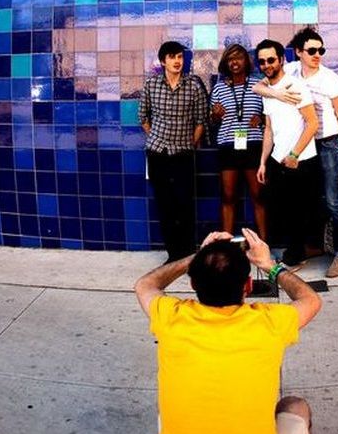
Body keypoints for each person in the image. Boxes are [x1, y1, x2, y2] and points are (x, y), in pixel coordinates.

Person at [134, 227, 321, 434]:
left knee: (170, 410)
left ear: (193, 283)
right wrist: (269, 264)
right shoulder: (270, 322)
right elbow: (310, 299)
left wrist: (199, 256)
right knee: (295, 407)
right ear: (247, 286)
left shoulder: (170, 317)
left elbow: (145, 284)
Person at [285, 28, 338, 279]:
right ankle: (315, 246)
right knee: (309, 199)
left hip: (328, 144)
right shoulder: (291, 71)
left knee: (333, 200)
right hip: (302, 144)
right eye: (312, 50)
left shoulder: (330, 79)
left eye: (321, 50)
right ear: (299, 52)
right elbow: (266, 85)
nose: (317, 55)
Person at [254, 39, 323, 268]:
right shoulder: (268, 92)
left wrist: (294, 154)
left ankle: (297, 257)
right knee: (283, 210)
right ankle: (295, 253)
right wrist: (263, 162)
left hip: (300, 160)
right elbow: (269, 129)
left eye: (271, 59)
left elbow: (312, 123)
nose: (267, 65)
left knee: (299, 212)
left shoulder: (296, 86)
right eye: (262, 61)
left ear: (282, 59)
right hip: (278, 159)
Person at [138, 41, 209, 261]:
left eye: (179, 56)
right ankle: (173, 253)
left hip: (183, 154)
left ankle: (187, 252)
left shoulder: (194, 85)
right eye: (172, 57)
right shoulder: (151, 84)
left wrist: (189, 143)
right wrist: (156, 138)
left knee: (185, 204)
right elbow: (143, 117)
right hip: (158, 153)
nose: (177, 61)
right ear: (163, 61)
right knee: (165, 204)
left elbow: (201, 121)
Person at [210, 43, 267, 238]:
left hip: (253, 145)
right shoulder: (219, 88)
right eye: (230, 58)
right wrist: (215, 115)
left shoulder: (259, 85)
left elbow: (271, 115)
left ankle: (264, 245)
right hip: (228, 146)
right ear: (226, 63)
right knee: (228, 197)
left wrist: (262, 119)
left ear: (246, 61)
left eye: (238, 57)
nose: (234, 62)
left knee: (258, 196)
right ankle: (226, 245)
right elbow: (214, 121)